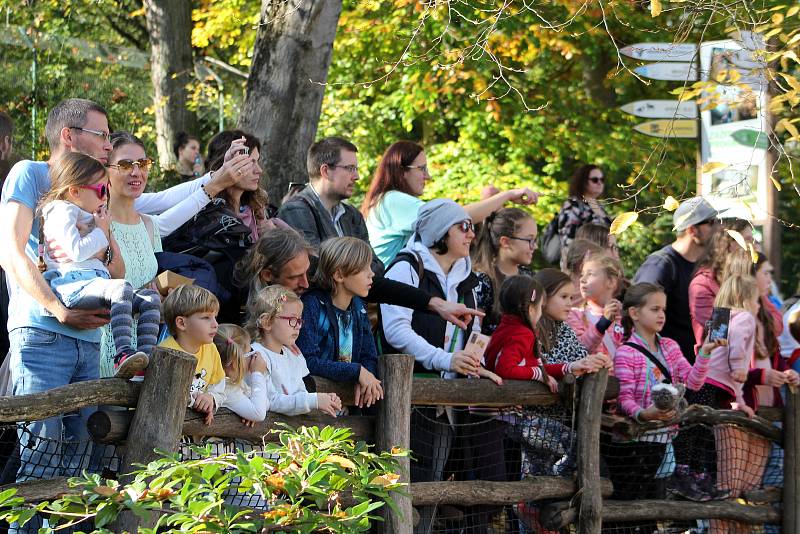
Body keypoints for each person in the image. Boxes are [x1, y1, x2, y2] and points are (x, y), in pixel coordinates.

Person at [378, 199, 483, 534]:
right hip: (406, 397)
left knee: (429, 491)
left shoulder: (468, 277)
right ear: (440, 232)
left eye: (472, 226)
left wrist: (472, 357)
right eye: (463, 226)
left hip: (447, 402)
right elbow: (396, 330)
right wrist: (444, 359)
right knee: (397, 492)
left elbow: (472, 329)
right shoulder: (408, 267)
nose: (471, 234)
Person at [607, 283, 721, 533]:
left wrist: (704, 354)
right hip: (634, 445)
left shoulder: (669, 346)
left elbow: (692, 382)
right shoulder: (626, 353)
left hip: (662, 440)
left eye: (664, 309)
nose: (661, 315)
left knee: (651, 508)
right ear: (635, 313)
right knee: (629, 510)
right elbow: (624, 399)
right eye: (655, 309)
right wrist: (643, 413)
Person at [40, 153, 159, 378]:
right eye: (101, 190)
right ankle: (122, 354)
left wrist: (101, 230)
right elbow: (76, 250)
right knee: (120, 286)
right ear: (75, 191)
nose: (105, 197)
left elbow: (108, 259)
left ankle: (144, 359)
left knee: (149, 299)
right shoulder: (61, 211)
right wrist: (101, 230)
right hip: (71, 284)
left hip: (93, 282)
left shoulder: (87, 215)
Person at [234, 227, 484, 331]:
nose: (306, 283)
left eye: (307, 273)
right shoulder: (236, 300)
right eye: (295, 277)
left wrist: (437, 304)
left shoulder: (314, 275)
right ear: (268, 275)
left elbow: (379, 288)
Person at [361, 140, 538, 266]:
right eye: (421, 169)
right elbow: (452, 217)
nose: (428, 176)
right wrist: (506, 195)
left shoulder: (388, 200)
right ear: (402, 171)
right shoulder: (393, 200)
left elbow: (452, 216)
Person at [700, 275, 779, 534]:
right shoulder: (744, 317)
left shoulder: (719, 317)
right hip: (724, 396)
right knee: (731, 486)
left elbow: (711, 357)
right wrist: (739, 369)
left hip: (712, 391)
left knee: (730, 486)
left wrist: (740, 401)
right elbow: (735, 360)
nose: (760, 306)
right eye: (758, 301)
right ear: (748, 298)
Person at [296, 237, 382, 409]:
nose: (371, 273)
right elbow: (307, 360)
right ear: (339, 275)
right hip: (313, 408)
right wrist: (356, 372)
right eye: (363, 268)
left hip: (348, 409)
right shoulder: (311, 305)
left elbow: (369, 355)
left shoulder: (359, 307)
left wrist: (365, 375)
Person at [634, 196, 720, 363]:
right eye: (711, 222)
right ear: (692, 230)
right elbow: (638, 314)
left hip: (703, 369)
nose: (717, 227)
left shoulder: (709, 265)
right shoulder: (660, 265)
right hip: (670, 372)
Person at [246, 284, 341, 417]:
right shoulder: (256, 356)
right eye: (292, 319)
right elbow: (270, 400)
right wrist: (314, 400)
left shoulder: (295, 355)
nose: (298, 326)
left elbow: (300, 393)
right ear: (267, 322)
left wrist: (322, 400)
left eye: (300, 320)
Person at [159, 285, 226, 426]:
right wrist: (196, 402)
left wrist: (211, 398)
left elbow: (219, 387)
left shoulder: (211, 349)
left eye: (215, 317)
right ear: (182, 323)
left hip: (192, 433)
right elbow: (163, 395)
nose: (215, 324)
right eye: (206, 318)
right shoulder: (165, 353)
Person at [688, 218, 753, 347]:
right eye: (746, 240)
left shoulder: (751, 277)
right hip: (719, 362)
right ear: (728, 243)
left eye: (753, 240)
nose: (753, 246)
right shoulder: (702, 284)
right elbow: (720, 333)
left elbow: (776, 325)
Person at [472, 207, 536, 334]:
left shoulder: (529, 276)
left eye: (535, 240)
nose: (534, 246)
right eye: (529, 240)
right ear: (505, 242)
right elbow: (474, 333)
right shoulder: (483, 280)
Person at [567, 253, 624, 357]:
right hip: (594, 373)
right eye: (582, 274)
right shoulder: (574, 315)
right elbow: (579, 350)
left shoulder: (627, 318)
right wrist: (603, 323)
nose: (582, 280)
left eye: (590, 274)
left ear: (611, 282)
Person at [555, 164, 612, 264]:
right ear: (583, 182)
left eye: (602, 179)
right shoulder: (573, 205)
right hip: (581, 263)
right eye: (595, 180)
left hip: (602, 262)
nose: (599, 183)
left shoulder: (601, 206)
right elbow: (568, 241)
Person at [214, 324, 268, 425]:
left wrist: (250, 410)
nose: (254, 355)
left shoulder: (232, 383)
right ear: (235, 363)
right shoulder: (226, 388)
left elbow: (265, 404)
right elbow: (259, 413)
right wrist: (258, 373)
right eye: (250, 351)